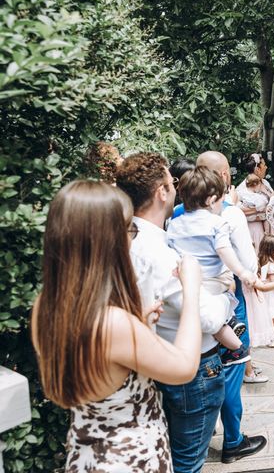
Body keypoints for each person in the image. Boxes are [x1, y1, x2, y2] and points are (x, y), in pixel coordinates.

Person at [32, 180, 203, 471]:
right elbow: (184, 367)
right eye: (128, 228)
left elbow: (100, 364)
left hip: (86, 456)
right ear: (106, 240)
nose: (132, 237)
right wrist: (192, 290)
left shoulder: (45, 306)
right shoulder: (112, 324)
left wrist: (139, 327)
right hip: (128, 459)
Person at [116, 153, 231, 472]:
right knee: (187, 462)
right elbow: (209, 318)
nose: (176, 189)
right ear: (161, 192)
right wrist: (223, 294)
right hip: (191, 370)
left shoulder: (127, 241)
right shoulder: (158, 252)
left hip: (150, 361)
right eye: (172, 183)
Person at [195, 150, 268, 463]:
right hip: (227, 301)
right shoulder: (231, 213)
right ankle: (233, 441)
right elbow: (248, 263)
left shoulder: (178, 213)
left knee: (202, 365)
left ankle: (203, 430)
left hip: (191, 301)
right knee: (232, 370)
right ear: (224, 177)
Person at [167, 166, 258, 366]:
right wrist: (243, 272)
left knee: (207, 319)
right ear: (210, 200)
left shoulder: (173, 224)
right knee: (217, 317)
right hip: (216, 281)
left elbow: (171, 252)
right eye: (221, 199)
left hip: (190, 282)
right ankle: (237, 349)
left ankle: (232, 332)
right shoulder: (217, 223)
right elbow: (225, 251)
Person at [236, 153, 274, 251]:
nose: (266, 167)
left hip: (270, 226)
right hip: (254, 228)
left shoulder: (265, 183)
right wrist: (260, 210)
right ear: (258, 169)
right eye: (264, 165)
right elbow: (238, 210)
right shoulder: (243, 188)